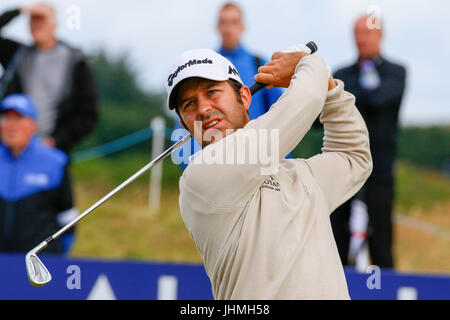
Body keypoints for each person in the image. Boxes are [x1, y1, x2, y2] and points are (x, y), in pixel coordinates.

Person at [165, 46, 372, 299]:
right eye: (189, 104)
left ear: (244, 97)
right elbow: (302, 103)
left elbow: (354, 157)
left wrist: (330, 89)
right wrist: (310, 65)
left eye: (212, 92)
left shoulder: (300, 175)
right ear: (185, 124)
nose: (204, 109)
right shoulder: (201, 177)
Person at [330, 15, 407, 269]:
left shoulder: (396, 73)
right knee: (336, 241)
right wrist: (359, 95)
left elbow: (380, 100)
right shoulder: (342, 73)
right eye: (357, 33)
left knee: (381, 242)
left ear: (380, 35)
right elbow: (322, 116)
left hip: (380, 172)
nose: (361, 39)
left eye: (367, 32)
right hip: (342, 169)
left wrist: (346, 96)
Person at [171, 2, 283, 168]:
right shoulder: (201, 68)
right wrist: (195, 168)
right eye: (223, 22)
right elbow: (189, 119)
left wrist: (277, 160)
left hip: (255, 160)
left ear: (243, 26)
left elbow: (279, 116)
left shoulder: (259, 64)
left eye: (234, 22)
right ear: (217, 26)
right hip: (213, 163)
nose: (228, 28)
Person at [0, 3, 98, 155]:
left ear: (54, 24)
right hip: (12, 150)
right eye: (33, 19)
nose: (37, 24)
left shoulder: (75, 60)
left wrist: (57, 140)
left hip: (54, 151)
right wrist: (20, 10)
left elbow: (88, 114)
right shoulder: (17, 55)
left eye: (42, 19)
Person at [0, 94, 77, 254]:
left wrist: (59, 255)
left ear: (33, 125)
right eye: (6, 118)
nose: (11, 126)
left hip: (41, 262)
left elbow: (68, 217)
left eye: (19, 118)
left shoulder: (55, 162)